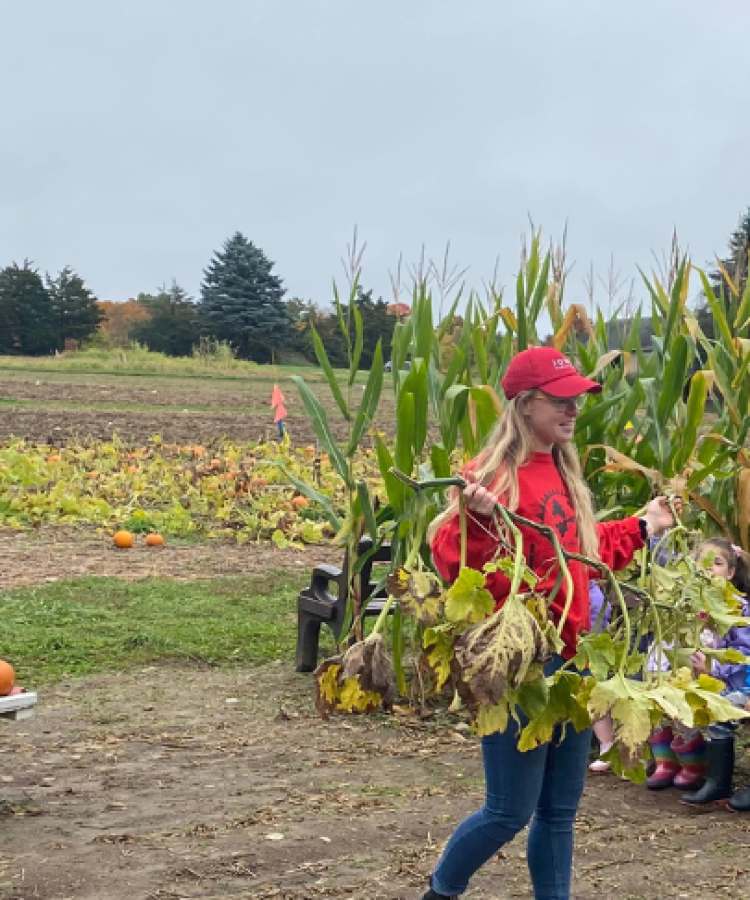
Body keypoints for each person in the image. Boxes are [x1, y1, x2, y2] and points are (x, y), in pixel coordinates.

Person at [421, 346, 678, 900]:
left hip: (577, 661)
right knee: (507, 812)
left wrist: (642, 524)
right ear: (526, 405)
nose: (574, 410)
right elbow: (448, 556)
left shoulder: (563, 470)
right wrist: (473, 515)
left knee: (559, 813)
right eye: (562, 401)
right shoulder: (489, 478)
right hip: (522, 664)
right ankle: (439, 892)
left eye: (578, 399)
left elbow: (583, 552)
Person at [680, 538, 750, 810]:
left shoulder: (739, 610)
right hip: (717, 683)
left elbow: (744, 656)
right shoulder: (692, 606)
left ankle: (717, 782)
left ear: (730, 573)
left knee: (722, 710)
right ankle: (711, 780)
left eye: (717, 563)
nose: (708, 569)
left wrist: (713, 669)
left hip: (740, 684)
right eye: (703, 562)